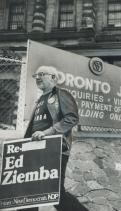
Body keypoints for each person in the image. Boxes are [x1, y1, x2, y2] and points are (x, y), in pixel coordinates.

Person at [19, 66, 88, 211]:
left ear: (53, 78)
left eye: (42, 74)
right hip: (35, 150)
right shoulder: (39, 100)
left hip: (54, 149)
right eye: (36, 75)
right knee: (28, 191)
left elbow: (72, 118)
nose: (37, 77)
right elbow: (32, 128)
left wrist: (47, 132)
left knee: (55, 192)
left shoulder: (61, 94)